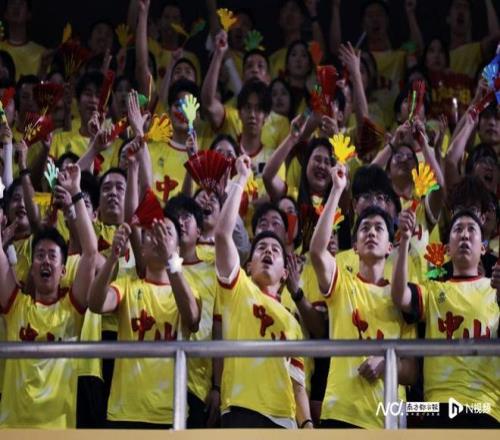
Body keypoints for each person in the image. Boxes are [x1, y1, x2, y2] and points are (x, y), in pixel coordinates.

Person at [310, 162, 417, 429]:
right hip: (340, 414)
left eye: (379, 228)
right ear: (355, 246)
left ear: (390, 246)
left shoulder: (401, 297)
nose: (371, 232)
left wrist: (386, 364)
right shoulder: (341, 284)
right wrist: (337, 190)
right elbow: (317, 252)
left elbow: (412, 371)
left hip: (387, 420)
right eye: (365, 227)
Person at [214, 154, 312, 429]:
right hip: (240, 409)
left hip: (285, 421)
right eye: (261, 248)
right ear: (248, 264)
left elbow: (298, 384)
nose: (268, 251)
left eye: (276, 250)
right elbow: (222, 235)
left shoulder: (292, 322)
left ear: (285, 272)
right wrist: (242, 178)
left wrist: (307, 424)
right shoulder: (237, 288)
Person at [0, 164, 98, 428]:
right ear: (31, 269)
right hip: (11, 428)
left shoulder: (71, 309)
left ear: (63, 269)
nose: (45, 261)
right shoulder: (15, 306)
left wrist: (76, 192)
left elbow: (90, 252)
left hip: (59, 429)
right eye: (39, 255)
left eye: (52, 256)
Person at [88, 214, 200, 428]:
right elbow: (95, 304)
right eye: (151, 234)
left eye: (166, 233)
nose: (158, 239)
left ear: (177, 250)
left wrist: (171, 261)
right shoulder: (126, 286)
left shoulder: (188, 291)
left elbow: (192, 317)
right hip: (124, 414)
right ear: (142, 250)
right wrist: (112, 258)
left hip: (171, 414)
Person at [392, 207, 500, 428]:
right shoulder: (433, 290)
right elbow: (399, 295)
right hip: (437, 404)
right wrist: (404, 241)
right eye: (458, 229)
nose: (465, 235)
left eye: (471, 229)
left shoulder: (495, 292)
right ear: (448, 249)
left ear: (483, 248)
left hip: (486, 406)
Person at [0, 0, 45, 79]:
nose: (16, 7)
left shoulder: (42, 54)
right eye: (12, 3)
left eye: (21, 3)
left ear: (29, 14)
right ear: (5, 14)